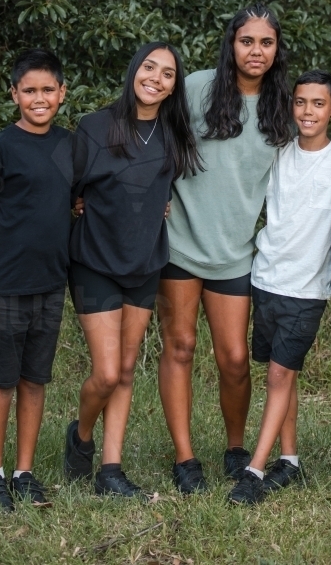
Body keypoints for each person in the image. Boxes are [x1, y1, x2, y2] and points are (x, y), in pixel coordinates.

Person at [158, 4, 293, 494]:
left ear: (277, 50)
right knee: (181, 345)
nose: (255, 51)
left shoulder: (284, 107)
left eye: (266, 43)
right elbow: (149, 136)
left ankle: (236, 448)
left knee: (234, 358)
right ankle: (184, 457)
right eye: (247, 41)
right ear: (231, 44)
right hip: (178, 245)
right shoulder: (195, 88)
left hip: (236, 250)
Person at [63, 42, 200, 500]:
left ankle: (111, 469)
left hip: (145, 264)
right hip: (95, 261)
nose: (155, 78)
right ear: (134, 70)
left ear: (173, 87)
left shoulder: (173, 136)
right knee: (104, 373)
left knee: (125, 368)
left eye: (167, 74)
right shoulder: (94, 127)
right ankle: (80, 434)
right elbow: (63, 191)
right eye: (149, 67)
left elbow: (163, 192)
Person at [228, 70, 331, 505]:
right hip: (265, 279)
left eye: (318, 104)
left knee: (281, 373)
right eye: (301, 102)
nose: (308, 111)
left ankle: (255, 470)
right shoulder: (278, 153)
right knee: (281, 372)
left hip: (308, 287)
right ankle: (290, 459)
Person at [0, 49, 73, 512]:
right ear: (14, 95)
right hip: (2, 285)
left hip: (50, 285)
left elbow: (80, 195)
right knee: (1, 381)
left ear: (62, 94)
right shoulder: (0, 147)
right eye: (30, 90)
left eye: (48, 90)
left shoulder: (71, 145)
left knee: (34, 380)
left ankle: (24, 471)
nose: (39, 98)